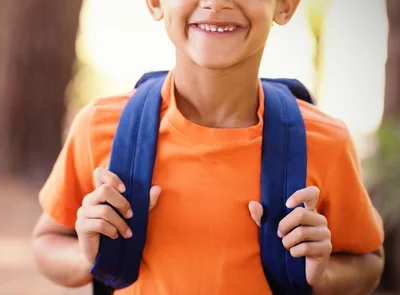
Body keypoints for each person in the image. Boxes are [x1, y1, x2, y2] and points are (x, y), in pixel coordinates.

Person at [31, 0, 385, 294]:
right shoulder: (101, 126)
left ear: (286, 6)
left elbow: (369, 261)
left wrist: (322, 275)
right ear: (155, 3)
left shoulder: (324, 141)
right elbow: (47, 240)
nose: (216, 3)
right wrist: (87, 255)